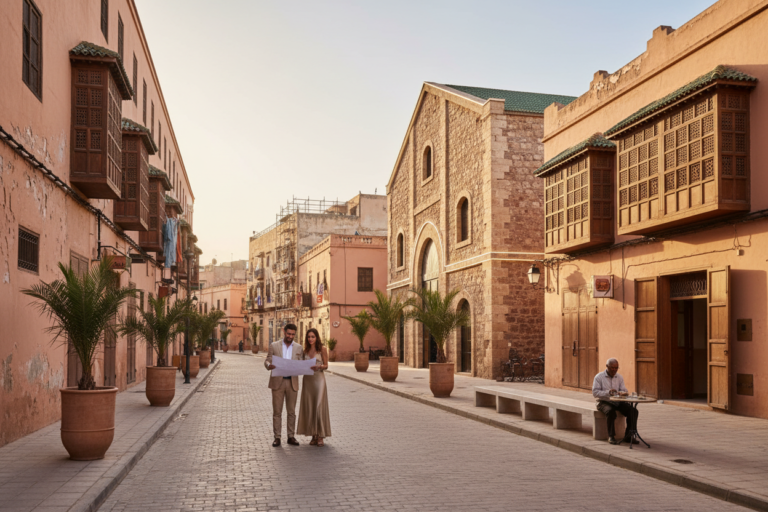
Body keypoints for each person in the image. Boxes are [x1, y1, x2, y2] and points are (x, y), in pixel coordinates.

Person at [265, 324, 304, 447]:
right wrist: (268, 365)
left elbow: (301, 363)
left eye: (293, 334)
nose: (290, 336)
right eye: (288, 334)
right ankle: (277, 438)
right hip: (278, 382)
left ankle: (291, 437)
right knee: (277, 412)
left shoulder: (299, 348)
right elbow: (267, 360)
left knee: (291, 412)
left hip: (292, 383)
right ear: (284, 332)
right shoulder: (274, 346)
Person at [296, 328, 332, 447]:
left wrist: (319, 366)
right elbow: (301, 364)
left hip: (319, 379)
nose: (310, 339)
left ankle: (321, 435)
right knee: (310, 406)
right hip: (308, 380)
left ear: (317, 337)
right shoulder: (305, 351)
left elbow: (326, 365)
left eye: (313, 336)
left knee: (318, 406)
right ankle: (313, 435)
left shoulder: (322, 349)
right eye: (308, 337)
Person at [592, 358, 639, 445]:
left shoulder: (619, 377)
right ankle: (611, 436)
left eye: (616, 368)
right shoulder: (599, 377)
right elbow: (595, 393)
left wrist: (624, 392)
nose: (614, 370)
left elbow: (623, 389)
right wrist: (608, 392)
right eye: (612, 368)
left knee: (633, 411)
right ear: (607, 367)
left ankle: (629, 435)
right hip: (604, 401)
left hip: (617, 401)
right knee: (610, 411)